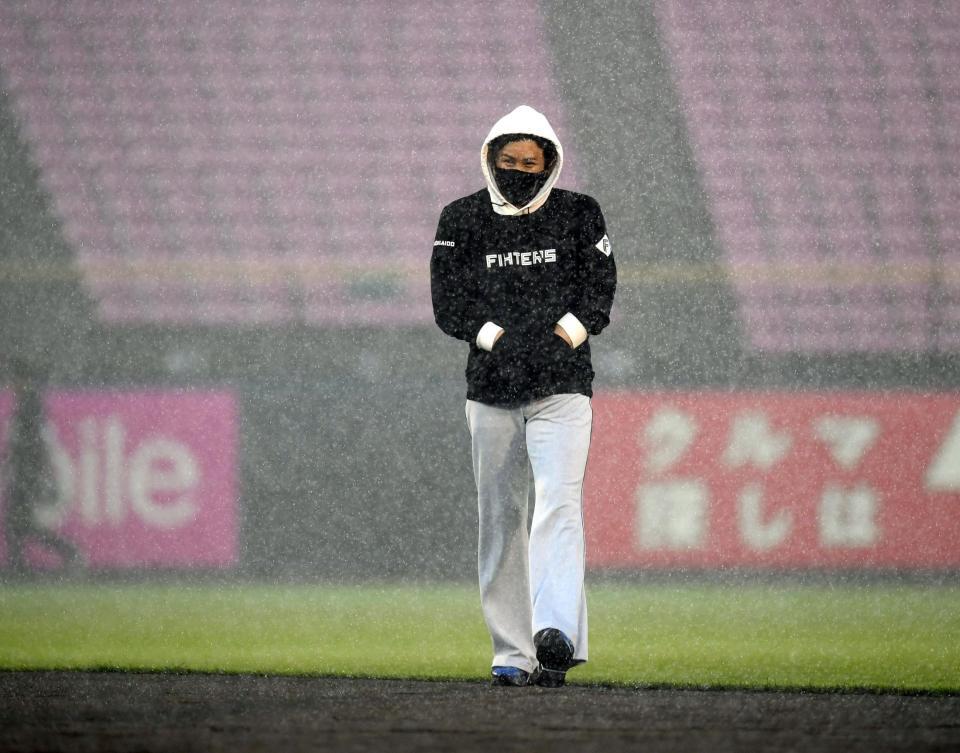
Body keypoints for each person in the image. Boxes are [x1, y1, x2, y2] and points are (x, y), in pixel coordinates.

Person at [430, 105, 616, 687]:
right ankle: (512, 654)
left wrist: (562, 338)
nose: (518, 170)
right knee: (501, 518)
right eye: (508, 160)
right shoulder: (461, 217)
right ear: (490, 159)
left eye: (530, 163)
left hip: (563, 388)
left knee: (558, 505)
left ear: (550, 164)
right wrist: (498, 340)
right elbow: (448, 302)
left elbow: (599, 290)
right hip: (491, 391)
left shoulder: (579, 214)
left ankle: (553, 637)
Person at [3, 358, 79, 575]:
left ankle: (23, 567)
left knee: (17, 524)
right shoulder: (28, 403)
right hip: (25, 473)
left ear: (22, 379)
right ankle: (22, 565)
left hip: (26, 474)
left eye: (14, 379)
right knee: (19, 524)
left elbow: (33, 442)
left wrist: (24, 468)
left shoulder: (29, 404)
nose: (11, 385)